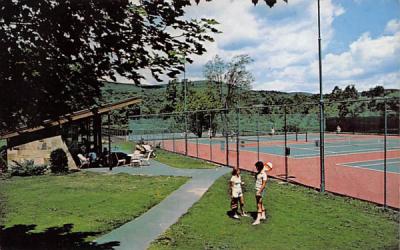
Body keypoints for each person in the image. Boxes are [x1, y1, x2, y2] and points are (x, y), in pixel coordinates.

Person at [253, 161, 272, 225]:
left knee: (258, 204)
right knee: (260, 203)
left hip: (260, 190)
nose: (256, 168)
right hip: (257, 189)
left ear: (259, 167)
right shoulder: (259, 172)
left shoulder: (264, 174)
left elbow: (263, 184)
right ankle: (263, 215)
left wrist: (259, 191)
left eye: (256, 167)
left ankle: (258, 219)